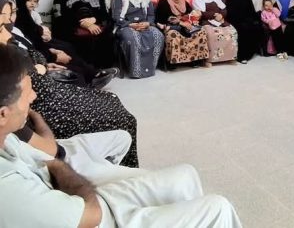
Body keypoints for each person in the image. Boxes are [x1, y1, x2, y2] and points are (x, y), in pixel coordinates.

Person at [0, 44, 243, 228]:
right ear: (3, 114)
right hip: (94, 213)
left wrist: (60, 169)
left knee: (186, 175)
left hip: (75, 195)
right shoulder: (6, 186)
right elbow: (90, 215)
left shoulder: (7, 138)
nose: (33, 98)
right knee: (218, 208)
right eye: (26, 94)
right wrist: (63, 171)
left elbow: (51, 158)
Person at [0, 0, 140, 168]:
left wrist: (43, 66)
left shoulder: (9, 47)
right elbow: (50, 150)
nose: (8, 30)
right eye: (1, 26)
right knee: (125, 119)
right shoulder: (11, 112)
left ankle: (113, 167)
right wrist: (37, 115)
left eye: (9, 17)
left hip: (52, 94)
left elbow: (34, 58)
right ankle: (118, 173)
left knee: (112, 98)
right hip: (50, 108)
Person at [0, 0, 115, 89]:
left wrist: (93, 20)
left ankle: (93, 73)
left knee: (75, 45)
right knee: (67, 49)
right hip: (67, 31)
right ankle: (90, 77)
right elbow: (60, 18)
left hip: (38, 45)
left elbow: (104, 14)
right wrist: (81, 24)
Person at [52, 0, 115, 68]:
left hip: (96, 27)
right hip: (72, 29)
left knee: (108, 37)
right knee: (83, 41)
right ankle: (87, 70)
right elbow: (59, 17)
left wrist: (94, 19)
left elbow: (105, 14)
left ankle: (104, 69)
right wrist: (82, 24)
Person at [112, 0, 164, 78]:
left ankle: (150, 68)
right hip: (126, 25)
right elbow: (116, 16)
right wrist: (129, 24)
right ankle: (135, 70)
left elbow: (151, 15)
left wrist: (148, 23)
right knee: (131, 38)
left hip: (144, 24)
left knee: (158, 35)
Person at [155, 0, 209, 67]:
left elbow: (190, 14)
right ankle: (174, 61)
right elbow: (163, 18)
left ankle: (194, 60)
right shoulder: (164, 1)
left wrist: (194, 19)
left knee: (200, 32)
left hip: (185, 26)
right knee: (172, 34)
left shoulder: (183, 1)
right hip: (171, 27)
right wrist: (181, 23)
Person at [191, 0, 238, 64]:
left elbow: (224, 9)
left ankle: (230, 57)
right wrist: (214, 15)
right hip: (206, 21)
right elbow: (200, 13)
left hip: (219, 20)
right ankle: (210, 60)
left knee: (232, 31)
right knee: (211, 34)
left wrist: (221, 15)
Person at [225, 0, 263, 64]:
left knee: (256, 26)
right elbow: (230, 13)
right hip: (235, 20)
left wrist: (253, 19)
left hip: (246, 19)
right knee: (244, 29)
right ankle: (242, 56)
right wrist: (242, 19)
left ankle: (252, 51)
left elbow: (251, 10)